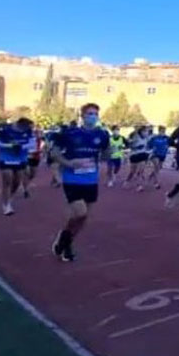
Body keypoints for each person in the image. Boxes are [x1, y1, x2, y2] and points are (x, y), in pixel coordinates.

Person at [50, 103, 110, 262]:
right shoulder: (70, 133)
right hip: (72, 179)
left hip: (91, 180)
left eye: (95, 114)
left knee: (84, 218)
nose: (93, 117)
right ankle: (65, 239)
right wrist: (68, 164)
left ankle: (66, 242)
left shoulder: (102, 134)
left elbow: (105, 155)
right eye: (89, 114)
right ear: (82, 116)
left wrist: (109, 151)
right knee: (80, 212)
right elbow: (54, 153)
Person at [0, 118, 35, 216]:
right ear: (19, 124)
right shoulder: (5, 130)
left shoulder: (28, 131)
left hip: (20, 159)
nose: (27, 129)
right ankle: (6, 205)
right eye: (25, 127)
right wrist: (9, 145)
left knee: (17, 182)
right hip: (6, 158)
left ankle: (10, 197)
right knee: (7, 179)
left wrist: (22, 146)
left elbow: (32, 144)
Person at [124, 126, 150, 192]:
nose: (146, 133)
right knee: (132, 172)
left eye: (147, 131)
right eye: (145, 131)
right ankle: (127, 180)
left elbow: (147, 146)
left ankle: (139, 185)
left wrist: (149, 151)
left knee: (141, 171)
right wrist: (137, 147)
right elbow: (130, 146)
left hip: (142, 155)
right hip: (134, 155)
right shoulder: (136, 137)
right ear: (141, 132)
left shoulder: (147, 138)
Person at [22, 127, 44, 198]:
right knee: (27, 173)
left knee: (33, 174)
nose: (37, 135)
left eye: (38, 133)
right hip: (26, 158)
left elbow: (41, 148)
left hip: (35, 158)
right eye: (35, 133)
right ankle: (25, 190)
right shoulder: (26, 140)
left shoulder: (40, 141)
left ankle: (26, 184)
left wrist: (41, 151)